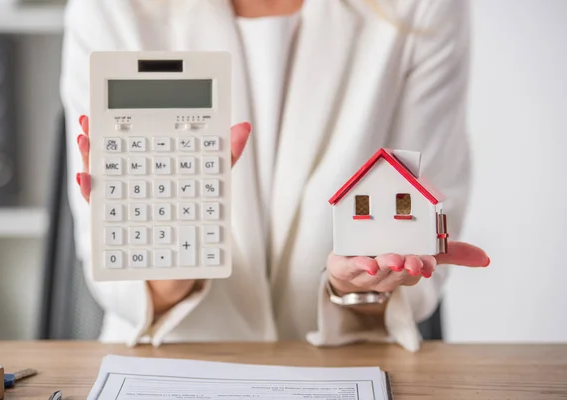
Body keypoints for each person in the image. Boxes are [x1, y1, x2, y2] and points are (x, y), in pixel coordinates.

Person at [61, 0, 489, 352]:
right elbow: (113, 281)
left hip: (339, 362)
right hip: (170, 354)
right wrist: (168, 263)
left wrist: (357, 291)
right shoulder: (108, 9)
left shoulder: (423, 9)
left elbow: (418, 199)